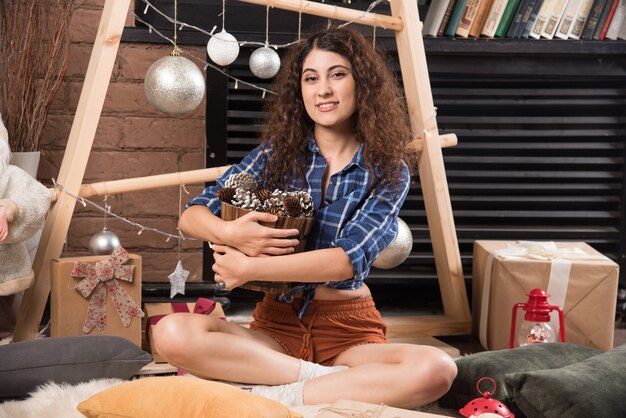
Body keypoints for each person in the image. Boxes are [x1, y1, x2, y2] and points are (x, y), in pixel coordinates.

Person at [154, 26, 457, 410]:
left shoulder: (389, 169)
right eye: (311, 78)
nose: (323, 90)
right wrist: (228, 230)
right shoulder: (276, 154)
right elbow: (194, 214)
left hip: (349, 330)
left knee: (437, 368)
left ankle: (275, 395)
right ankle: (324, 386)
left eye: (337, 75)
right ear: (299, 90)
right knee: (172, 333)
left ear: (361, 83)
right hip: (275, 329)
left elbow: (345, 261)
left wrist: (248, 268)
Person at [0, 113, 51, 339]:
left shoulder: (9, 176)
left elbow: (38, 197)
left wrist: (8, 208)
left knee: (2, 320)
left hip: (3, 266)